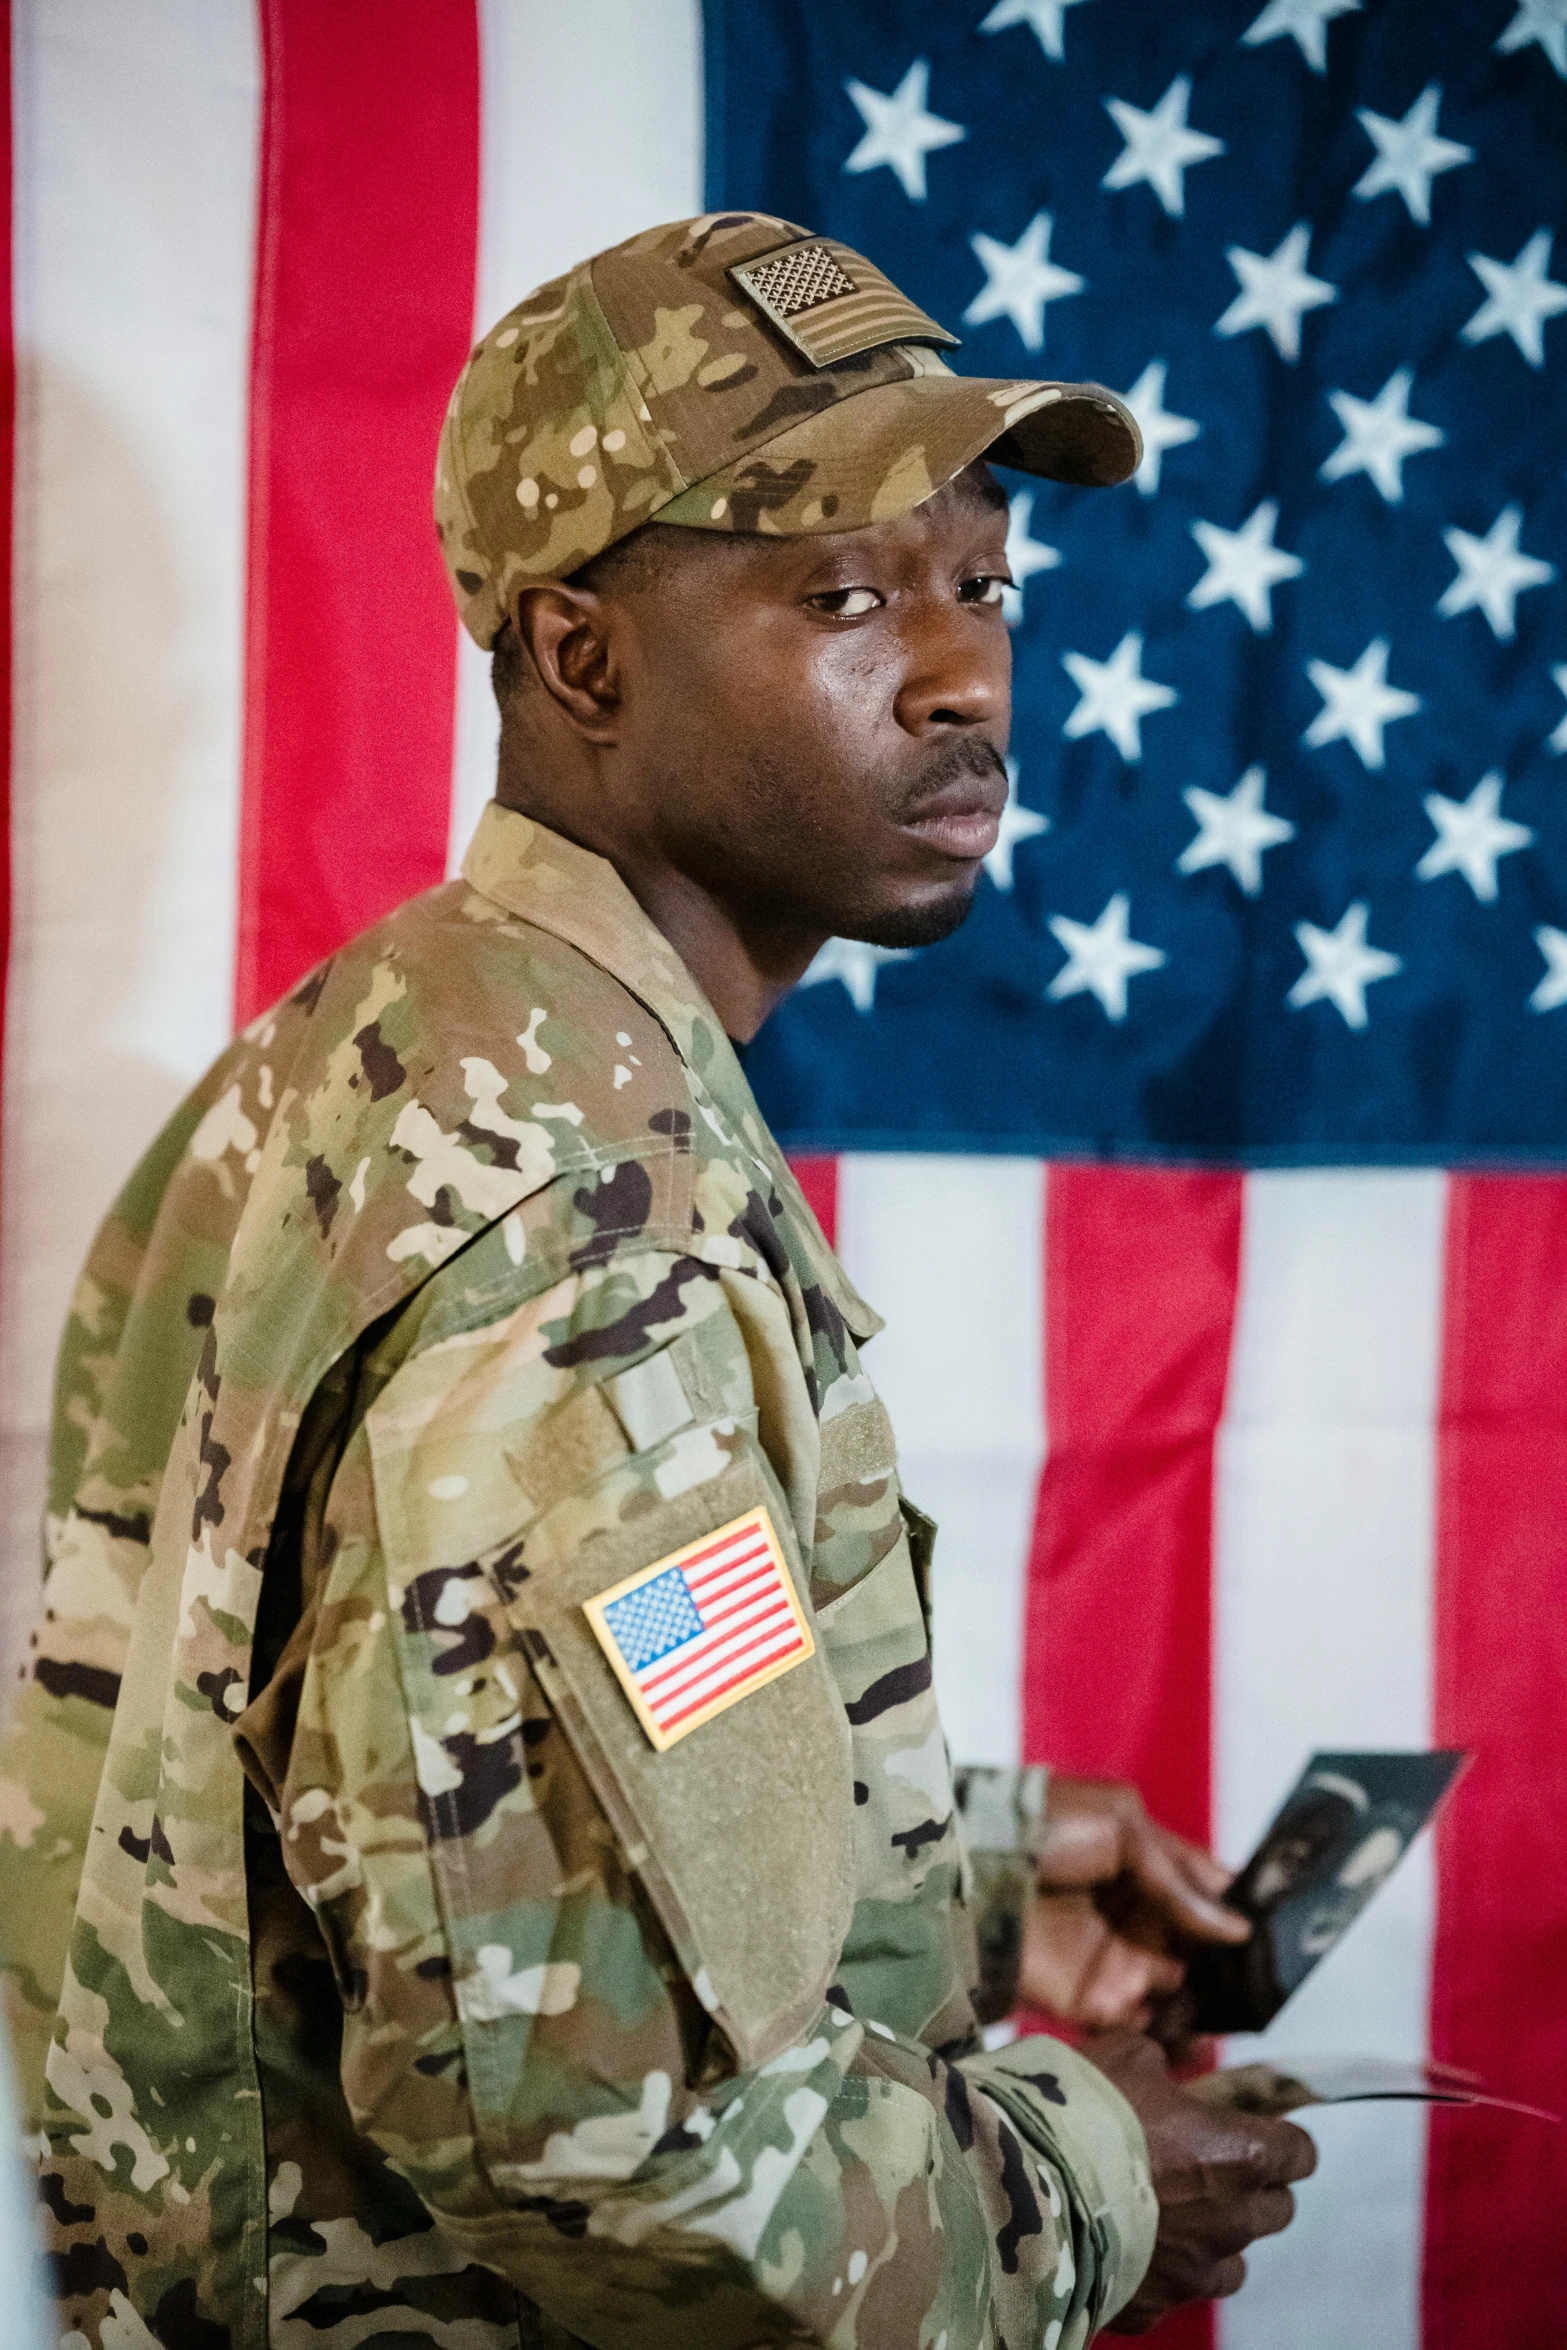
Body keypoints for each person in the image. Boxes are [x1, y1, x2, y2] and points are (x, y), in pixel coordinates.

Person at [0, 212, 1313, 2348]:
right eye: (845, 592)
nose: (967, 673)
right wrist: (1083, 2169)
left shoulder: (382, 1052)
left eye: (981, 581)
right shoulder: (578, 1230)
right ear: (578, 657)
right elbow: (610, 2153)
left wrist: (958, 1882)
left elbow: (385, 1814)